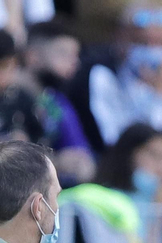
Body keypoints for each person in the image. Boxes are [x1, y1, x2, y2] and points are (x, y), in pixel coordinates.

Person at [80, 3, 162, 149]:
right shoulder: (102, 75)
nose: (152, 52)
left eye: (160, 44)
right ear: (121, 37)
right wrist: (160, 97)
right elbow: (117, 141)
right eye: (143, 43)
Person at [24, 18, 95, 182]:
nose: (74, 63)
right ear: (32, 56)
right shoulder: (6, 96)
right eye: (64, 54)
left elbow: (83, 157)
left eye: (76, 55)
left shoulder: (57, 102)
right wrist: (55, 161)